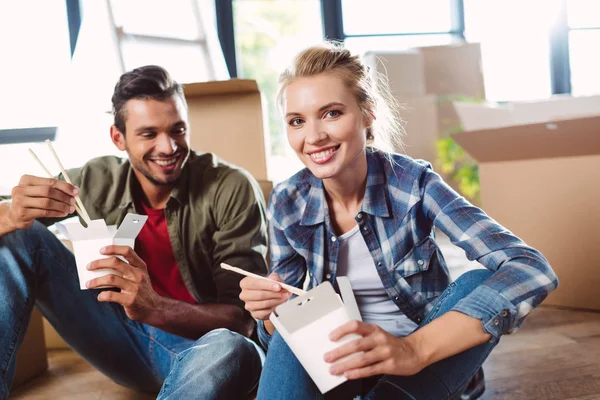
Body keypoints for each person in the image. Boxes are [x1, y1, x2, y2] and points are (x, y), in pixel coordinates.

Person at [238, 42, 559, 400]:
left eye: (331, 113)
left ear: (367, 113)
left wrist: (413, 350)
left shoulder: (414, 185)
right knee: (291, 325)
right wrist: (268, 313)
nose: (313, 137)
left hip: (421, 365)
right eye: (297, 121)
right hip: (342, 366)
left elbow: (532, 268)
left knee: (479, 280)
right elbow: (276, 331)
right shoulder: (287, 199)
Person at [0, 65, 268, 399]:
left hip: (206, 350)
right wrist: (11, 213)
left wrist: (154, 307)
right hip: (121, 337)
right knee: (17, 235)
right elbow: (13, 225)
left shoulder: (230, 188)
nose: (168, 147)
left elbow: (242, 320)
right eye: (149, 134)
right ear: (118, 137)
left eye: (178, 130)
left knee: (233, 346)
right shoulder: (95, 181)